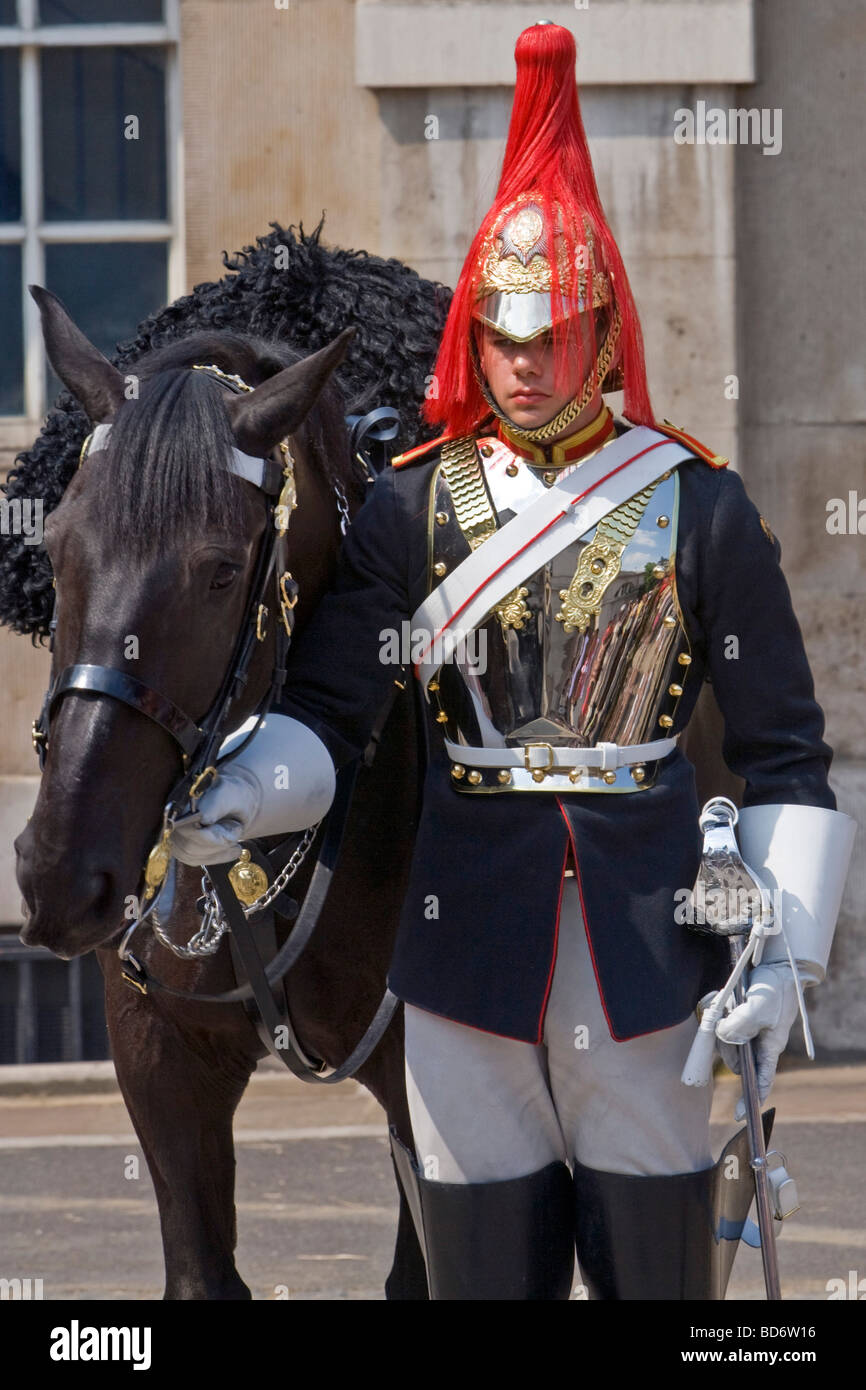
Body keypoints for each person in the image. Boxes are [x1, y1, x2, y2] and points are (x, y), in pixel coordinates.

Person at [171, 23, 852, 1299]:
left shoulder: (698, 506)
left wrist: (781, 960)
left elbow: (783, 759)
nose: (526, 361)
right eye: (501, 333)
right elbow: (329, 711)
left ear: (601, 328)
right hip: (461, 946)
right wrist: (244, 796)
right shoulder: (408, 511)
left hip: (651, 950)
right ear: (471, 338)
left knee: (658, 1276)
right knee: (480, 1271)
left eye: (554, 332)